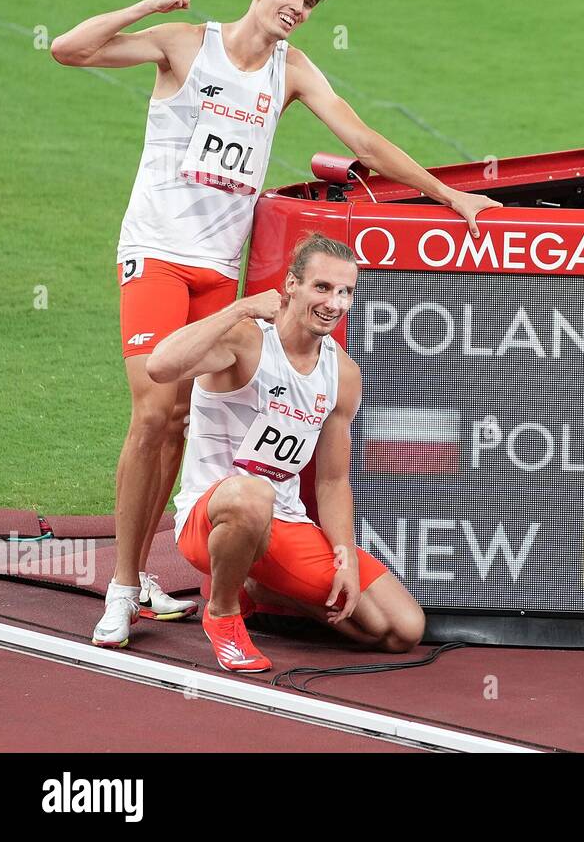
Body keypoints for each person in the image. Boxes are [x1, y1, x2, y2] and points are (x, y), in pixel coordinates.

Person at [50, 0, 498, 648]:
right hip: (158, 254)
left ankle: (173, 568)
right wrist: (152, 3)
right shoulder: (184, 44)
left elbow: (361, 136)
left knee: (190, 421)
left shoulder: (293, 72)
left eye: (310, 1)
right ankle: (123, 586)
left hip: (216, 269)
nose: (297, 7)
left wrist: (447, 195)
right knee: (156, 410)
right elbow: (68, 51)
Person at [145, 233, 424, 671]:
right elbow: (160, 366)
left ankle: (259, 589)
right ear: (291, 285)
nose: (335, 303)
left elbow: (332, 480)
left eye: (346, 291)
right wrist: (239, 308)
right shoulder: (246, 340)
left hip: (284, 525)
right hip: (213, 516)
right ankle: (222, 613)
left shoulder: (343, 373)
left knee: (400, 630)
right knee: (253, 494)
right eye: (323, 287)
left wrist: (345, 555)